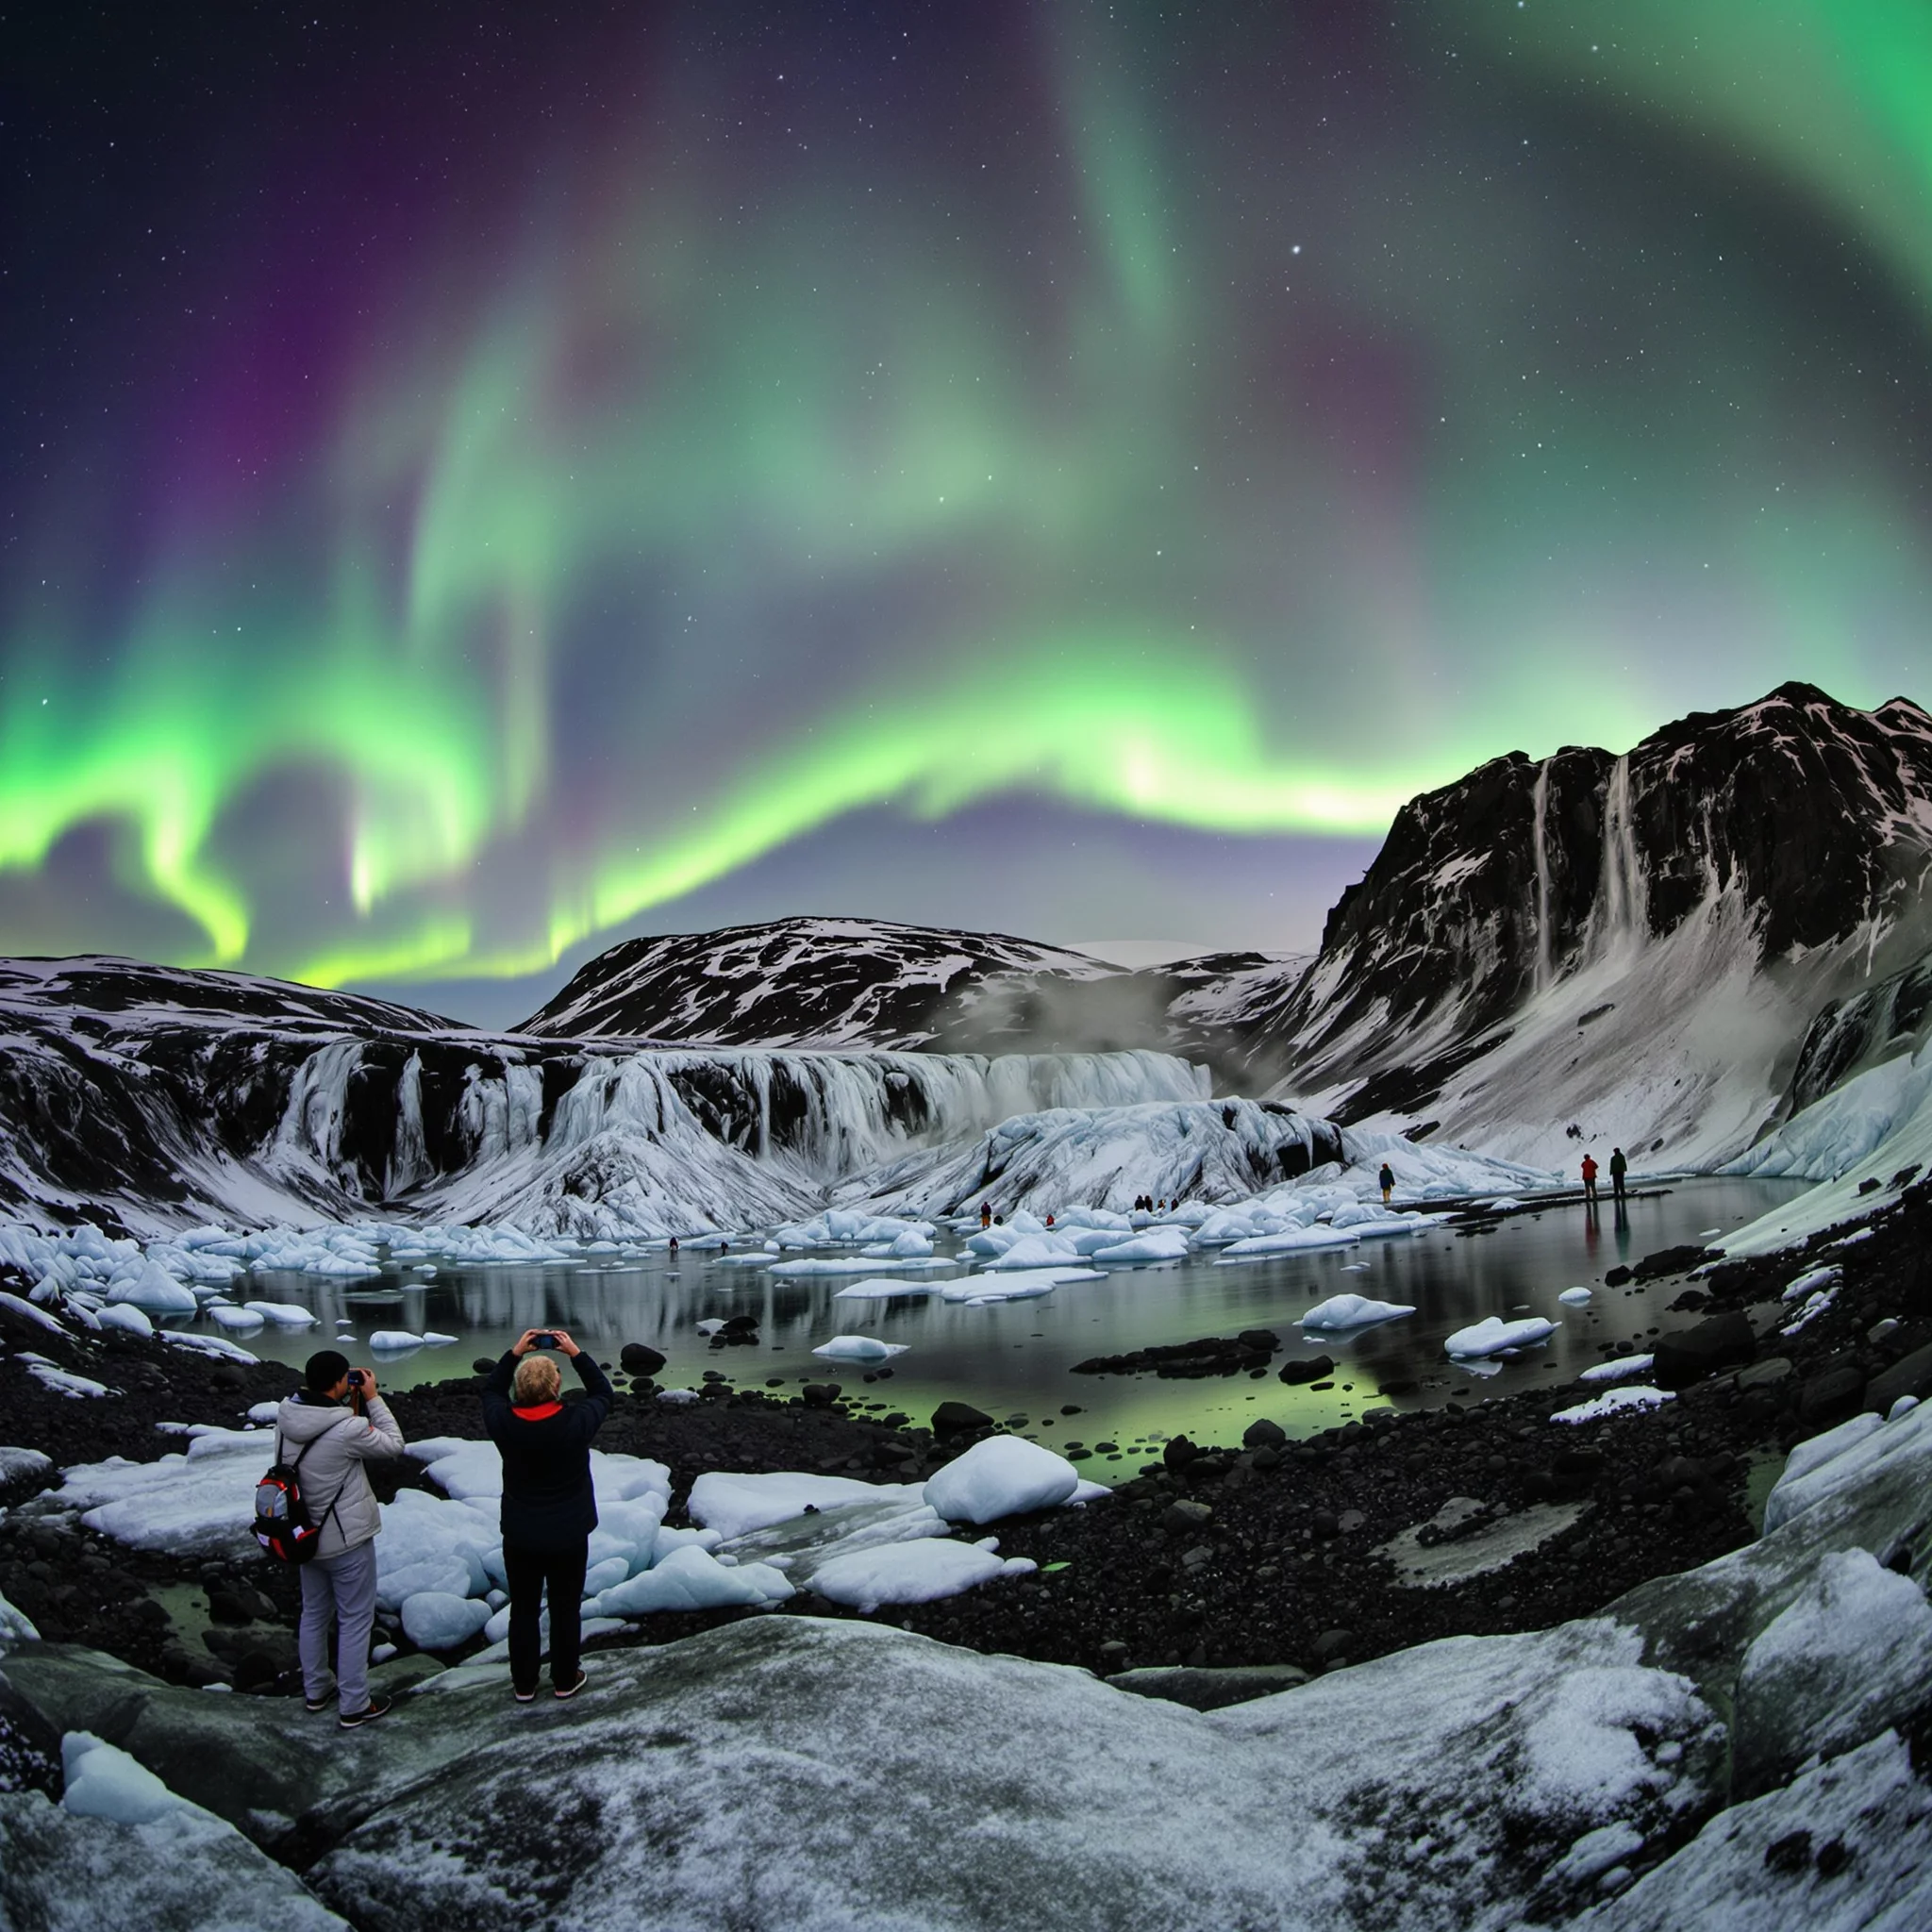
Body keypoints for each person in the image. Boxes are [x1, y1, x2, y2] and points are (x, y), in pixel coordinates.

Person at [483, 1327, 613, 1702]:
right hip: (569, 1533)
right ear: (556, 1389)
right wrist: (575, 1353)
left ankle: (524, 1683)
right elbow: (603, 1393)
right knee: (564, 1607)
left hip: (521, 1533)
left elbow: (491, 1392)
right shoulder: (575, 1423)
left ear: (519, 1391)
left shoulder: (504, 1423)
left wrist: (513, 1354)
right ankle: (564, 1678)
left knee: (523, 1608)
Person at [277, 1348, 406, 1728]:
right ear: (338, 1383)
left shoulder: (286, 1420)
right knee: (354, 1619)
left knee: (314, 1612)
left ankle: (316, 1690)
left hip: (305, 1535)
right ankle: (354, 1704)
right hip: (347, 1539)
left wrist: (349, 1406)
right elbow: (393, 1443)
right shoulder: (347, 1429)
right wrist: (371, 1398)